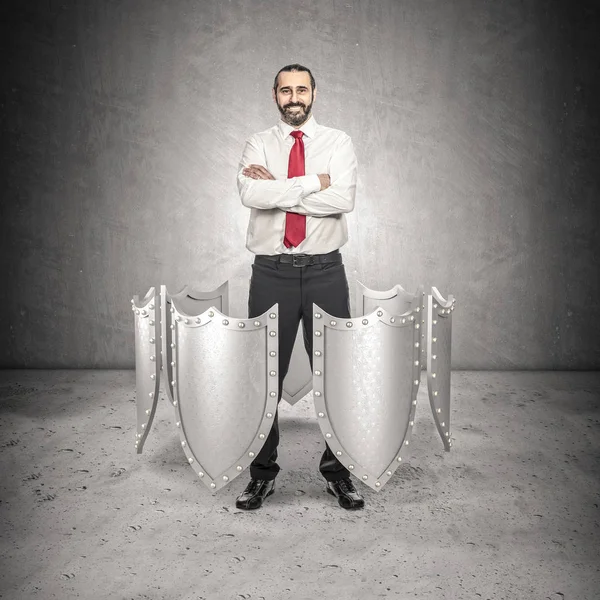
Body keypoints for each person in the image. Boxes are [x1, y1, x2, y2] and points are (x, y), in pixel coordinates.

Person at [235, 64, 364, 511]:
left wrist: (281, 189)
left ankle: (339, 473)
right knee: (262, 375)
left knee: (336, 374)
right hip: (271, 271)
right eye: (286, 90)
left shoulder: (339, 142)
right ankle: (260, 475)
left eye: (302, 89)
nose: (295, 97)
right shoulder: (258, 143)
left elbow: (343, 199)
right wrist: (314, 183)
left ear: (314, 94)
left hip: (326, 271)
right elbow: (251, 195)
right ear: (274, 95)